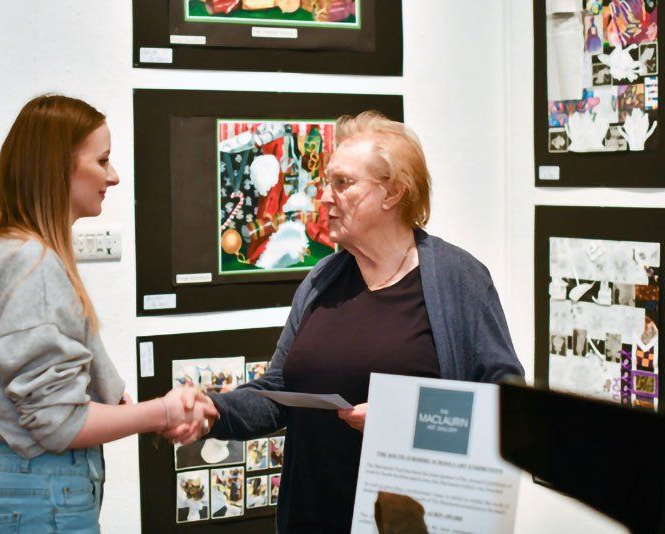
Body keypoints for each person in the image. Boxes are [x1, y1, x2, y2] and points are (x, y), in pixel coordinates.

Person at [164, 111, 524, 533]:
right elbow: (280, 389)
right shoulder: (322, 280)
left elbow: (507, 407)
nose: (325, 196)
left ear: (393, 192)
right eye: (326, 182)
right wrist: (215, 410)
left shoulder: (458, 280)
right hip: (312, 518)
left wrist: (404, 419)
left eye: (342, 183)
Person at [0, 95, 216, 533]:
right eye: (102, 160)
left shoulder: (5, 252)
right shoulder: (31, 264)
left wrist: (119, 404)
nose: (114, 176)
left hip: (25, 490)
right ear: (57, 167)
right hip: (41, 495)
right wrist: (162, 412)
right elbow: (59, 423)